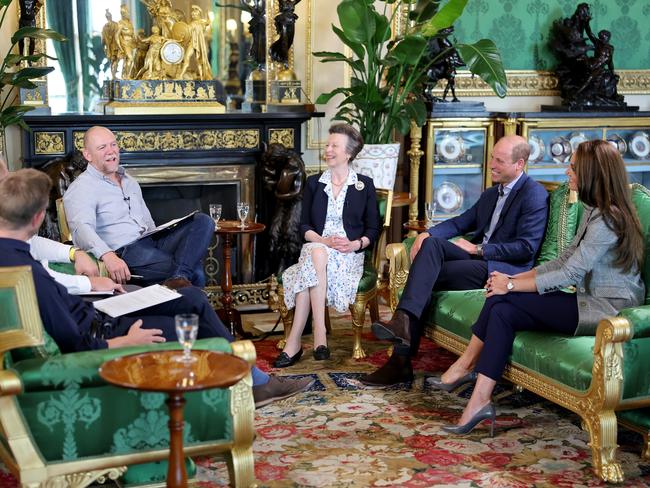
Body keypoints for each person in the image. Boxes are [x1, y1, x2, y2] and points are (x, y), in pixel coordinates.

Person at [0, 169, 313, 408]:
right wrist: (125, 341)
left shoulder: (13, 258)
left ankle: (255, 380)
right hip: (105, 331)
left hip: (101, 310)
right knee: (192, 320)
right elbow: (73, 342)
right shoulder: (26, 272)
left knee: (189, 290)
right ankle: (255, 382)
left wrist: (89, 278)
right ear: (39, 217)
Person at [436, 139, 645, 436]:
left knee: (503, 300)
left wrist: (510, 283)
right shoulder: (593, 208)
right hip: (587, 299)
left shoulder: (609, 217)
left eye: (573, 167)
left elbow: (571, 272)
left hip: (608, 309)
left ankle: (469, 371)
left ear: (592, 173)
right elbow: (564, 258)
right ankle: (477, 397)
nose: (566, 172)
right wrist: (513, 283)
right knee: (500, 304)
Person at [361, 135, 549, 387]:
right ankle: (402, 328)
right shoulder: (493, 193)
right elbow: (461, 222)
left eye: (499, 160)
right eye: (492, 157)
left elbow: (526, 249)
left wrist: (480, 248)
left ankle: (400, 359)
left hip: (499, 268)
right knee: (432, 246)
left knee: (422, 276)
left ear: (520, 164)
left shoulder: (533, 195)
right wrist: (427, 233)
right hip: (476, 257)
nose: (491, 164)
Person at [273, 124, 380, 367]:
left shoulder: (364, 185)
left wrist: (355, 244)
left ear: (348, 153)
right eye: (327, 144)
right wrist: (322, 240)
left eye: (334, 146)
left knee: (311, 264)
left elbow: (373, 229)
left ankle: (295, 343)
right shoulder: (314, 183)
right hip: (316, 248)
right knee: (317, 252)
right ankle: (319, 333)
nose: (328, 149)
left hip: (347, 255)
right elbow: (304, 227)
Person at [63, 126, 215, 289]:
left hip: (151, 241)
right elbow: (81, 229)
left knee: (203, 220)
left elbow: (148, 222)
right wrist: (107, 255)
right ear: (88, 155)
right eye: (102, 147)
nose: (111, 151)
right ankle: (181, 277)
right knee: (196, 271)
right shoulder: (82, 187)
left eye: (113, 145)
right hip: (126, 251)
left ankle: (179, 276)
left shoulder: (129, 181)